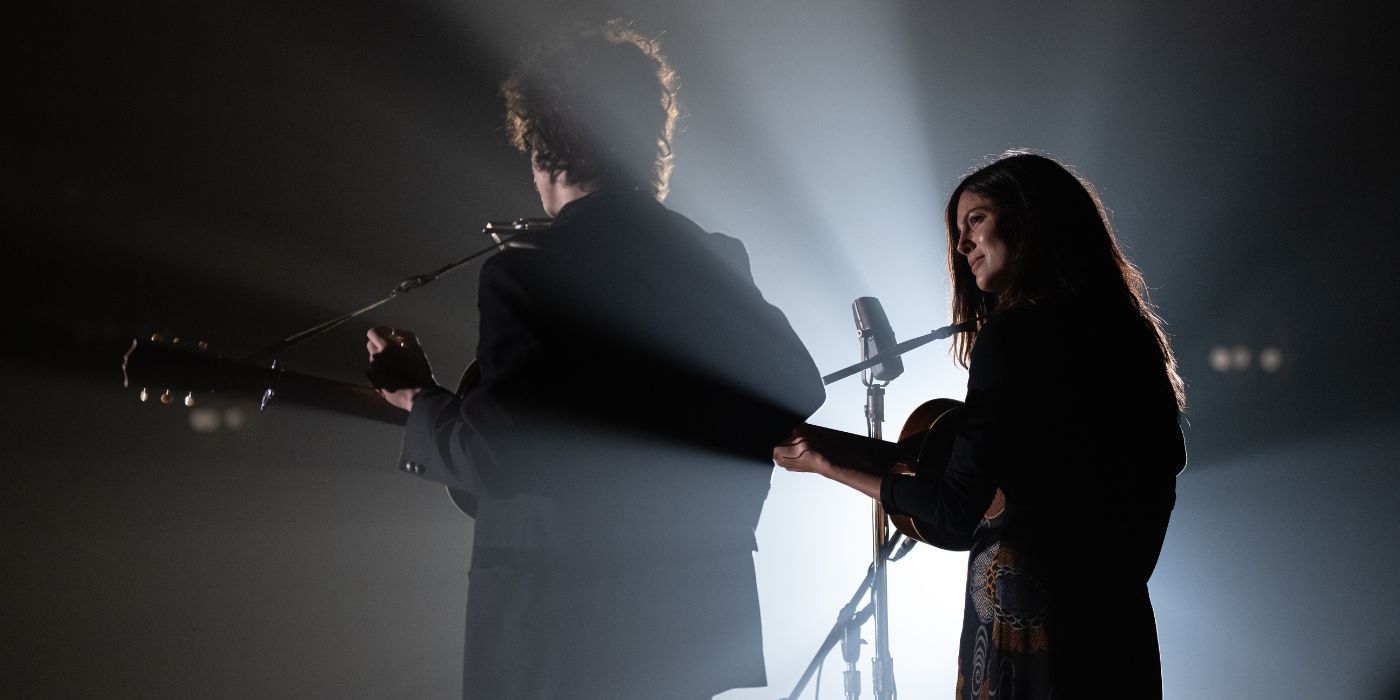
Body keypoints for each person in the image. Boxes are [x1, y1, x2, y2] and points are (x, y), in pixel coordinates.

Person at [364, 22, 825, 700]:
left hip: (560, 637)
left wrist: (420, 400)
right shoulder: (715, 257)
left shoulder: (527, 274)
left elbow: (496, 458)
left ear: (545, 143)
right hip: (684, 625)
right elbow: (797, 386)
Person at [774, 151, 1186, 698]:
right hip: (1117, 634)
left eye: (976, 220)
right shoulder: (1130, 338)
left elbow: (953, 508)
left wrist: (825, 463)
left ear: (1029, 219)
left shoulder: (1014, 336)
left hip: (1026, 641)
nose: (962, 245)